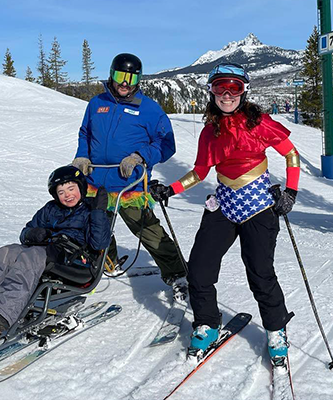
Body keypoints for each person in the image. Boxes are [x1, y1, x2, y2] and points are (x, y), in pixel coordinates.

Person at [150, 63, 300, 366]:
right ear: (212, 93)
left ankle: (275, 329)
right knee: (200, 269)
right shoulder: (210, 132)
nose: (227, 94)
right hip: (225, 203)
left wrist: (291, 193)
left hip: (258, 206)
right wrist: (171, 190)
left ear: (244, 92)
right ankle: (207, 322)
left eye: (234, 88)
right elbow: (200, 172)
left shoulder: (259, 123)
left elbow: (291, 154)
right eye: (220, 88)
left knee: (260, 273)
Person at [72, 53, 187, 298]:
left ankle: (178, 273)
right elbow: (85, 133)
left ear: (138, 80)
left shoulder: (149, 109)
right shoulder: (96, 103)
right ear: (111, 75)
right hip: (96, 181)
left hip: (129, 184)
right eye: (120, 76)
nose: (124, 83)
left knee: (147, 230)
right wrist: (82, 155)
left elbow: (166, 145)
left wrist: (140, 156)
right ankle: (107, 261)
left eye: (131, 78)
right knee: (94, 224)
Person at [0, 166, 111, 335]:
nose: (67, 195)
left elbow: (99, 244)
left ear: (81, 188)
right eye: (61, 192)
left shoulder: (91, 210)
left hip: (75, 259)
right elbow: (25, 232)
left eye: (71, 189)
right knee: (6, 252)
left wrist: (99, 212)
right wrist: (33, 234)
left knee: (31, 257)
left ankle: (0, 314)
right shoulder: (51, 208)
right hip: (44, 250)